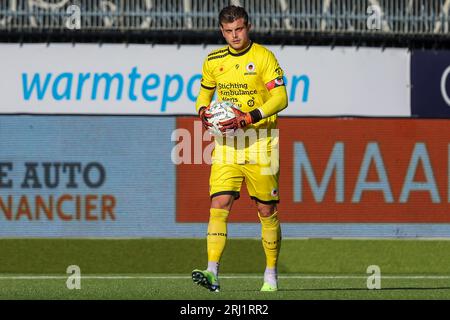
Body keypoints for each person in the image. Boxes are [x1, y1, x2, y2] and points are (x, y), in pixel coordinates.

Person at [192, 5, 288, 292]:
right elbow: (203, 94)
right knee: (218, 203)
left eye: (240, 29)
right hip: (227, 145)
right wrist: (202, 112)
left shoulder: (263, 57)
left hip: (261, 143)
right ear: (222, 31)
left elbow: (281, 97)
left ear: (248, 27)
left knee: (265, 208)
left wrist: (248, 117)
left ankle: (270, 273)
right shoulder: (212, 60)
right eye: (229, 31)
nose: (235, 35)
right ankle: (212, 272)